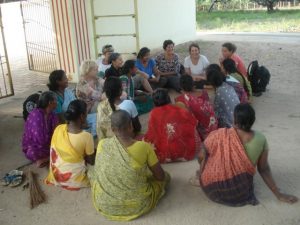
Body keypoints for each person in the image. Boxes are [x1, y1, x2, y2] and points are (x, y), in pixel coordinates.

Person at [197, 103, 298, 206]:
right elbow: (264, 169)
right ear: (253, 120)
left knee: (206, 156)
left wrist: (202, 170)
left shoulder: (219, 134)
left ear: (235, 121)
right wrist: (279, 194)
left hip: (211, 190)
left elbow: (201, 155)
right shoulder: (261, 139)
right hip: (238, 193)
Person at [89, 110, 170, 221]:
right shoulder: (144, 147)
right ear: (131, 126)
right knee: (166, 177)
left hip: (105, 203)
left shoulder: (102, 143)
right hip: (137, 204)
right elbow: (160, 176)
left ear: (112, 129)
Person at [45, 100, 95, 190]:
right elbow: (91, 161)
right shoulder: (87, 136)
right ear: (82, 116)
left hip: (57, 177)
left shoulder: (58, 129)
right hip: (75, 181)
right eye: (86, 113)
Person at [144, 88, 200, 163]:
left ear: (154, 102)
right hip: (185, 150)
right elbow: (194, 122)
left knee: (145, 141)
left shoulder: (153, 113)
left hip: (166, 152)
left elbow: (151, 133)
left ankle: (169, 157)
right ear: (168, 99)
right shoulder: (179, 109)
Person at [22, 91, 59, 167]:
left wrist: (56, 142)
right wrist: (51, 146)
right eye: (56, 101)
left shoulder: (53, 115)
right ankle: (48, 157)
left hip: (49, 144)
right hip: (37, 145)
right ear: (50, 102)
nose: (57, 103)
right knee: (32, 152)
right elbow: (38, 138)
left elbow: (56, 131)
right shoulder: (36, 115)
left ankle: (46, 158)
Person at [175, 75, 218, 140]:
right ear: (193, 83)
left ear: (181, 87)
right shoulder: (204, 92)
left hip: (204, 132)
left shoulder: (180, 100)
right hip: (214, 125)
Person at [76, 60, 105, 137]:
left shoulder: (96, 79)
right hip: (86, 114)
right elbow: (99, 97)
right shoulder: (82, 84)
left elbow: (107, 85)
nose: (97, 71)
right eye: (95, 69)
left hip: (95, 111)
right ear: (88, 70)